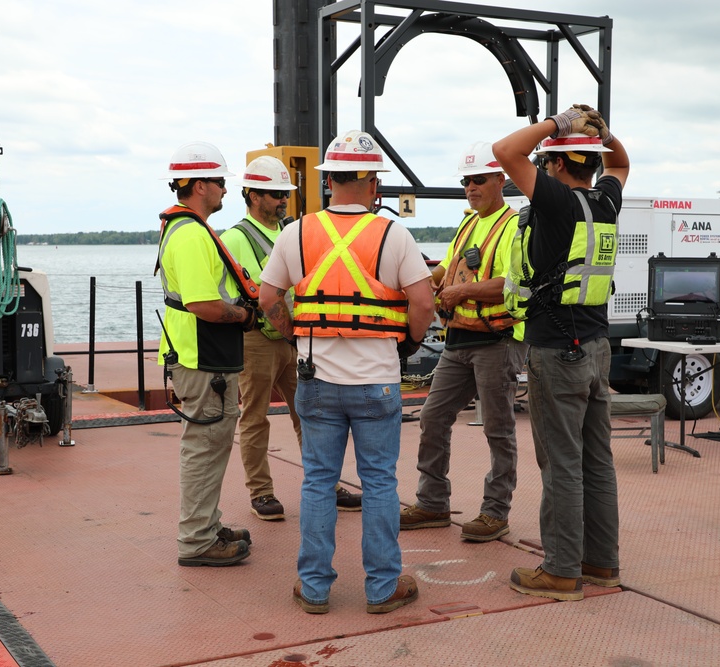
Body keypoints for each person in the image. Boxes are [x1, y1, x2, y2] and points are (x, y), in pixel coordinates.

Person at [259, 130, 434, 614]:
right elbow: (422, 301)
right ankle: (382, 589)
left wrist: (296, 337)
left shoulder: (295, 232)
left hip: (315, 379)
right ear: (373, 181)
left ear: (329, 179)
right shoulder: (394, 234)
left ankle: (313, 588)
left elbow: (268, 299)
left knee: (317, 481)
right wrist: (411, 343)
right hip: (377, 378)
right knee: (379, 482)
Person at [492, 105, 630, 600]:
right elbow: (621, 164)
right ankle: (601, 563)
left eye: (547, 160)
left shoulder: (556, 201)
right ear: (590, 162)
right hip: (596, 349)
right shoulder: (604, 202)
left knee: (562, 464)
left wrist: (559, 123)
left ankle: (560, 569)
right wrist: (603, 135)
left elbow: (505, 152)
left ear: (555, 164)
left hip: (557, 351)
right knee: (598, 461)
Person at [220, 156, 362, 521]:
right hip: (256, 340)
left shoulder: (291, 230)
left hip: (293, 337)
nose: (282, 200)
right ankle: (261, 493)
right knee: (254, 416)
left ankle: (326, 484)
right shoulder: (234, 238)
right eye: (273, 194)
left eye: (284, 193)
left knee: (311, 413)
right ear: (251, 195)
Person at [399, 142, 527, 542]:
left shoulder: (513, 227)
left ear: (500, 181)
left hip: (496, 341)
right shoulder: (468, 224)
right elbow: (447, 270)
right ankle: (433, 503)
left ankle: (495, 512)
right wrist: (423, 282)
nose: (470, 188)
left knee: (498, 428)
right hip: (458, 341)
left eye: (478, 180)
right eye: (466, 181)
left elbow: (511, 285)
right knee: (433, 417)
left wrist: (460, 294)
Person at [155, 141, 258, 567]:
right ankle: (197, 540)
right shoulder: (194, 236)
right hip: (203, 357)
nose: (225, 190)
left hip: (196, 355)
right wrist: (243, 316)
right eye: (219, 182)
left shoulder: (181, 229)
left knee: (210, 445)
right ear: (199, 185)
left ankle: (207, 524)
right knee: (205, 445)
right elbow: (204, 306)